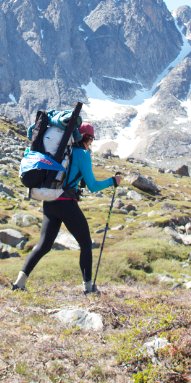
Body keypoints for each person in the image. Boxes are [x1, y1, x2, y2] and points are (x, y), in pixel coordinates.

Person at [12, 122, 121, 294]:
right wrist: (112, 181)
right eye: (91, 139)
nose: (91, 142)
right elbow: (92, 186)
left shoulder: (61, 151)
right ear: (87, 138)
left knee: (43, 246)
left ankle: (19, 283)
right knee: (85, 243)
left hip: (49, 202)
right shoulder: (82, 154)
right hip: (66, 204)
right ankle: (88, 288)